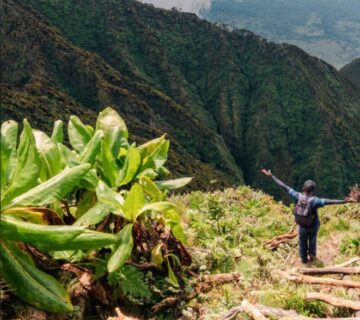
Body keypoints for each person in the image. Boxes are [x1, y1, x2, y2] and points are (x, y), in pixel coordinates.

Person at [261, 169, 355, 265]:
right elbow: (328, 201)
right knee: (312, 240)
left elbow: (284, 187)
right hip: (313, 225)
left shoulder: (297, 196)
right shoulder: (315, 201)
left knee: (302, 242)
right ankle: (312, 256)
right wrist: (344, 201)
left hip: (302, 225)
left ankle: (303, 259)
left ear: (303, 188)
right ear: (313, 191)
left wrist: (272, 176)